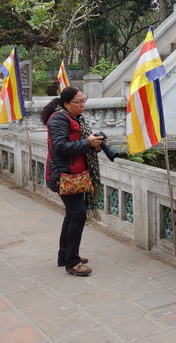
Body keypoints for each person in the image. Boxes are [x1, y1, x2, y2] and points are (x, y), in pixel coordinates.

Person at [41, 86, 105, 276]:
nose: (82, 105)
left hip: (75, 173)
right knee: (78, 214)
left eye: (84, 101)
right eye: (78, 102)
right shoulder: (59, 119)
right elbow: (60, 147)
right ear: (66, 103)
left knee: (72, 214)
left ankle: (64, 256)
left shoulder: (75, 117)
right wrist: (87, 143)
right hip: (64, 175)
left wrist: (94, 144)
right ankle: (72, 262)